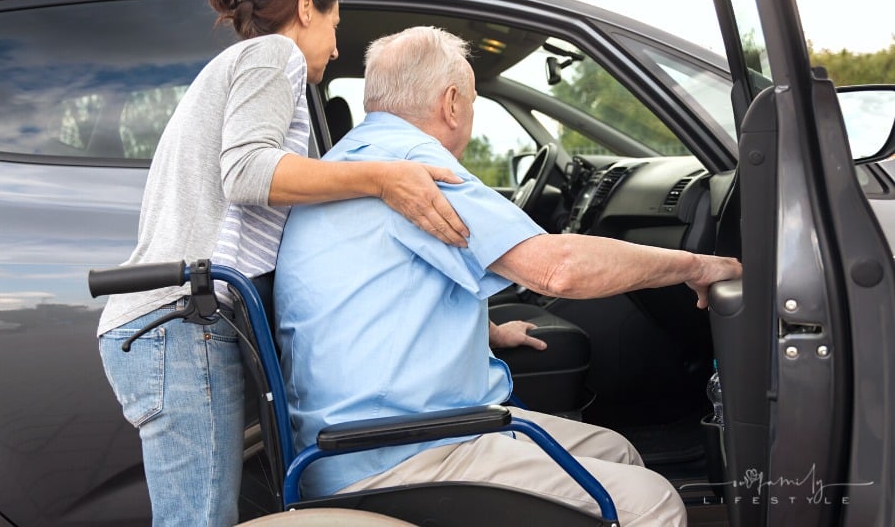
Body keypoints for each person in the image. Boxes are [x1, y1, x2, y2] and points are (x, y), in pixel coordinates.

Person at [273, 26, 742, 526]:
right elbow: (558, 270)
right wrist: (697, 265)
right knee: (654, 503)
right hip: (398, 452)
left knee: (617, 451)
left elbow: (382, 289)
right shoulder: (414, 171)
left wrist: (488, 330)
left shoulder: (346, 164)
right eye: (473, 101)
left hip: (360, 443)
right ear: (452, 104)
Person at [96, 0, 470, 527]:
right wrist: (382, 177)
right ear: (305, 7)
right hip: (179, 325)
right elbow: (247, 173)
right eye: (335, 26)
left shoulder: (243, 68)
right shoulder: (274, 54)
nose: (337, 49)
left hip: (174, 325)